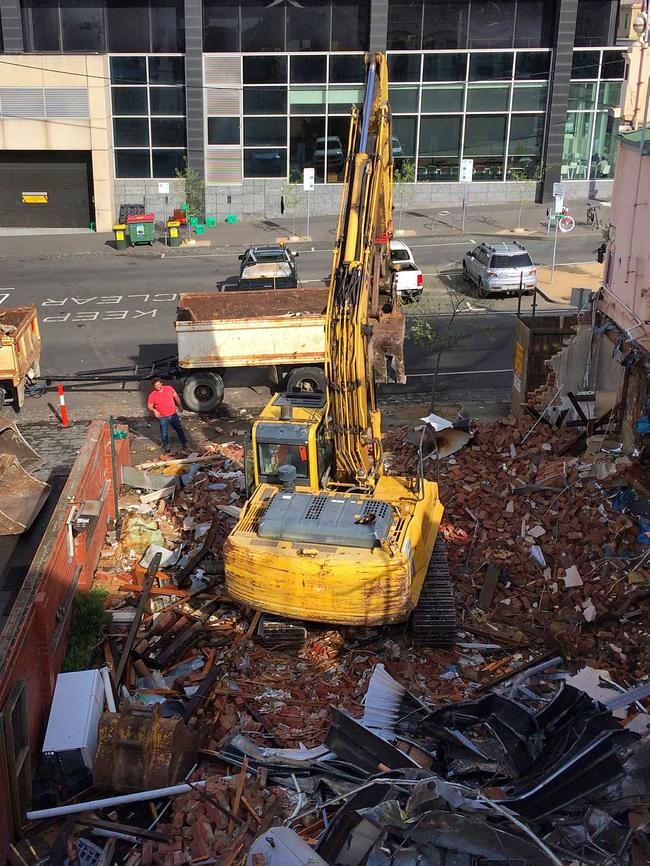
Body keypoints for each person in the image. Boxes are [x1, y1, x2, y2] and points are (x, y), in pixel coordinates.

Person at [147, 377, 188, 451]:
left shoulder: (169, 388)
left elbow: (176, 396)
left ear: (161, 383)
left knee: (179, 429)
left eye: (159, 384)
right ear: (154, 386)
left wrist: (180, 406)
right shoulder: (152, 395)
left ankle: (184, 443)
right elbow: (149, 405)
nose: (158, 387)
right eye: (156, 385)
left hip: (173, 414)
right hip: (162, 417)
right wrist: (154, 410)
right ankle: (166, 446)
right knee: (164, 432)